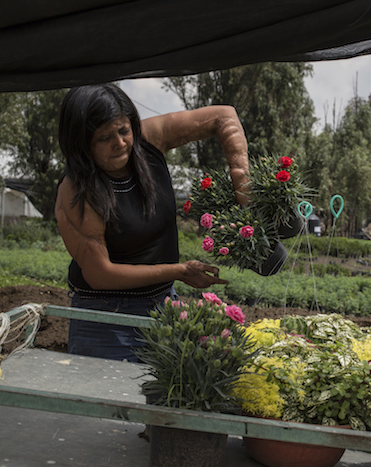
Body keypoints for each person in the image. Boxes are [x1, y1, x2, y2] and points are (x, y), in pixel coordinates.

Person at [54, 83, 250, 362]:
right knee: (112, 401)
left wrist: (243, 183)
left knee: (162, 400)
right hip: (106, 319)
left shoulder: (149, 140)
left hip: (162, 306)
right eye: (104, 137)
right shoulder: (77, 189)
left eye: (123, 130)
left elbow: (223, 116)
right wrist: (179, 270)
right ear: (81, 143)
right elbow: (100, 275)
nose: (120, 142)